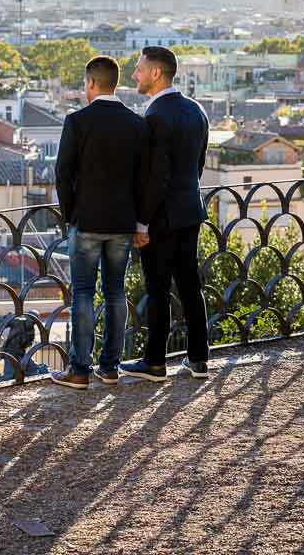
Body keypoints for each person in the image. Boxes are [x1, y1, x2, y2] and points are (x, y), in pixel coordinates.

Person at [51, 55, 149, 389]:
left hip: (87, 220)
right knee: (115, 291)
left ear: (91, 83)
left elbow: (62, 174)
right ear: (116, 83)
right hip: (122, 221)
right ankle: (110, 367)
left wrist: (70, 215)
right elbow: (143, 180)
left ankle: (79, 370)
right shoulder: (136, 124)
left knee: (82, 293)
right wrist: (139, 220)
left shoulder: (77, 122)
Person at [120, 46, 210, 383]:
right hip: (190, 209)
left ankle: (155, 361)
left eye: (140, 69)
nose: (135, 75)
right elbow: (197, 164)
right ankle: (198, 358)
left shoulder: (155, 117)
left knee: (157, 287)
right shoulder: (196, 110)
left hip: (161, 216)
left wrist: (142, 221)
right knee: (190, 285)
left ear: (156, 73)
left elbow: (154, 177)